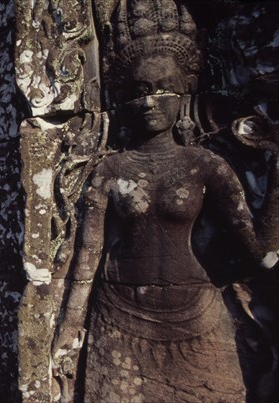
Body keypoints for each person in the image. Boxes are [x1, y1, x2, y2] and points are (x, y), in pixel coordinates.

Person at [51, 18, 279, 403]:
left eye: (163, 89)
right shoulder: (110, 169)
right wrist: (69, 327)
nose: (151, 101)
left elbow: (260, 254)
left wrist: (276, 176)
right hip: (118, 312)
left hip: (199, 315)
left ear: (184, 93)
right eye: (140, 91)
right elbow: (86, 258)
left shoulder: (205, 165)